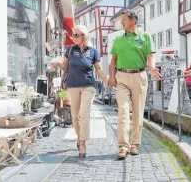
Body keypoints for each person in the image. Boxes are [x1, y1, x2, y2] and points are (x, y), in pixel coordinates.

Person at [108, 10, 161, 160]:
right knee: (123, 112)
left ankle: (135, 145)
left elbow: (150, 55)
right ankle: (123, 146)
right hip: (122, 77)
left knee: (137, 112)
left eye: (124, 19)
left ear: (133, 20)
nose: (122, 22)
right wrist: (112, 76)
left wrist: (151, 68)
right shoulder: (119, 39)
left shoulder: (145, 37)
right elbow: (113, 60)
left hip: (139, 75)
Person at [50, 25, 107, 158]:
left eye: (76, 35)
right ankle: (79, 136)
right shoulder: (70, 50)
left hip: (88, 85)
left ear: (84, 36)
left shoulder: (93, 51)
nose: (73, 38)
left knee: (84, 114)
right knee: (75, 117)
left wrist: (106, 80)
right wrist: (57, 64)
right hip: (73, 86)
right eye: (73, 35)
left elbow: (98, 69)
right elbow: (65, 67)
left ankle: (82, 143)